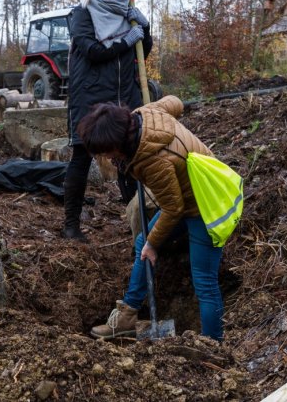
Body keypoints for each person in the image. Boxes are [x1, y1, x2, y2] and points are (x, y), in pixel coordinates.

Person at [76, 95, 224, 341]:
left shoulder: (152, 161)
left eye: (106, 151)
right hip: (188, 194)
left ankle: (213, 344)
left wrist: (154, 244)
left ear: (118, 142)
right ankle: (128, 315)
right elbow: (176, 101)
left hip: (207, 205)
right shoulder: (146, 113)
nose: (106, 157)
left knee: (205, 282)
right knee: (141, 244)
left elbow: (173, 208)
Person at [62, 0, 153, 242]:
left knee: (129, 158)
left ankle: (138, 224)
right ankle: (71, 226)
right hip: (88, 97)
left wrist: (144, 29)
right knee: (81, 157)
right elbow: (91, 51)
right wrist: (125, 40)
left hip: (122, 96)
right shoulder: (82, 14)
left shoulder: (127, 12)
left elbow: (141, 52)